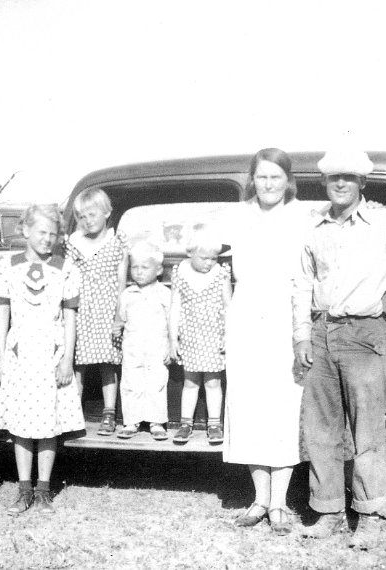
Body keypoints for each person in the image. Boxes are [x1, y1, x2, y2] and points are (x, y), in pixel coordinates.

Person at [294, 148, 386, 545]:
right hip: (322, 333)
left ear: (362, 182)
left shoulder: (384, 221)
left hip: (365, 335)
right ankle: (327, 511)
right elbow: (303, 283)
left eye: (348, 177)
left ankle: (370, 513)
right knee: (321, 430)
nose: (340, 183)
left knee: (367, 431)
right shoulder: (315, 228)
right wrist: (301, 335)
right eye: (333, 178)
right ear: (325, 183)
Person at [223, 148, 309, 534]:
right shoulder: (238, 215)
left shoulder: (302, 216)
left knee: (284, 404)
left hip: (285, 316)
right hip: (246, 316)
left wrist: (299, 328)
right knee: (250, 403)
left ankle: (279, 503)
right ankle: (259, 499)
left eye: (276, 177)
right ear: (252, 180)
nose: (269, 184)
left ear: (287, 180)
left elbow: (307, 273)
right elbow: (205, 249)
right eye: (262, 177)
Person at [0, 204, 85, 515]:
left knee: (48, 424)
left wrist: (66, 360)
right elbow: (2, 313)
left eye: (53, 234)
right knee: (21, 423)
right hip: (21, 354)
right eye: (41, 232)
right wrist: (2, 357)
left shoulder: (66, 268)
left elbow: (70, 318)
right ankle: (23, 489)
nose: (47, 239)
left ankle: (43, 490)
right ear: (25, 230)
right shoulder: (7, 266)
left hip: (52, 352)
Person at [64, 188, 130, 436]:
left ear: (107, 213)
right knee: (77, 363)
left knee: (107, 364)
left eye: (92, 214)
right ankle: (72, 414)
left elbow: (121, 280)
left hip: (106, 308)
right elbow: (67, 276)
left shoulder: (116, 242)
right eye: (81, 216)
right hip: (80, 309)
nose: (87, 221)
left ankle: (109, 413)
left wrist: (118, 315)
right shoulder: (73, 243)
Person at [169, 224, 231, 444]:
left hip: (214, 336)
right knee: (191, 382)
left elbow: (227, 306)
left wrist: (227, 335)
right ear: (190, 253)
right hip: (190, 336)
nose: (209, 263)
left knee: (213, 382)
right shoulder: (179, 272)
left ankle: (214, 424)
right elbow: (174, 307)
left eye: (213, 258)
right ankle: (186, 423)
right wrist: (172, 339)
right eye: (204, 257)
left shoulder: (221, 272)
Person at [111, 241, 171, 440]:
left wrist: (171, 345)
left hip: (157, 347)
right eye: (135, 267)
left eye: (145, 267)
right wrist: (116, 329)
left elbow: (172, 322)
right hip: (133, 348)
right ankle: (131, 421)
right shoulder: (127, 294)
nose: (139, 272)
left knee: (156, 383)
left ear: (159, 269)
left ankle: (156, 421)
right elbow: (121, 319)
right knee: (131, 383)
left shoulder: (164, 293)